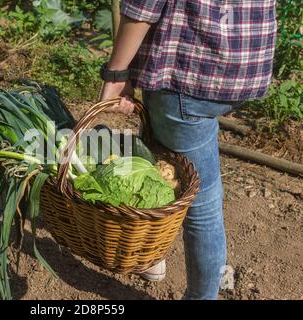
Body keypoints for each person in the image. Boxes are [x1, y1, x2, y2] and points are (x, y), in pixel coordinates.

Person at [99, 0, 277, 299]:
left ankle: (202, 296)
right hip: (244, 66)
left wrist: (116, 73)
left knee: (203, 205)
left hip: (188, 75)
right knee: (160, 157)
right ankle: (151, 257)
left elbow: (143, 9)